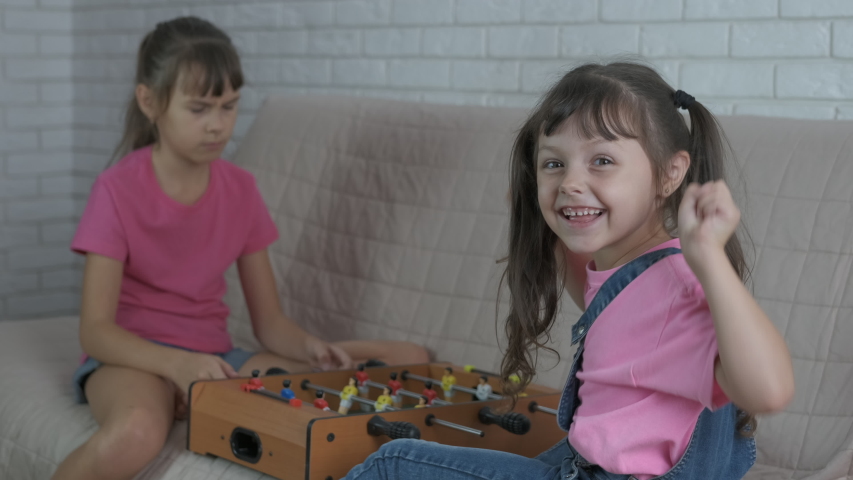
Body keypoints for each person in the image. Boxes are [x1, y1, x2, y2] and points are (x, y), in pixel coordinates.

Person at [343, 61, 794, 479]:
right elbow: (603, 304)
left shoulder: (679, 287)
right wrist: (548, 205)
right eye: (554, 163)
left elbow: (769, 392)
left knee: (395, 462)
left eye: (602, 161)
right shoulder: (631, 269)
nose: (572, 183)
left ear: (669, 174)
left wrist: (711, 260)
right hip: (588, 464)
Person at [53, 16, 428, 480]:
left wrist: (308, 345)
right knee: (137, 433)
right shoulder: (115, 189)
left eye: (229, 106)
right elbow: (95, 331)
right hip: (133, 358)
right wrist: (177, 365)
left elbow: (269, 323)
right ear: (149, 101)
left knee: (407, 356)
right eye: (199, 109)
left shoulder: (242, 190)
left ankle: (324, 355)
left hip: (216, 360)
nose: (217, 125)